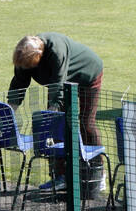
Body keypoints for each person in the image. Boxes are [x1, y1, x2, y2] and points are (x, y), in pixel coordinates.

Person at [7, 33, 105, 190]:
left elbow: (58, 87)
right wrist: (10, 110)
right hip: (60, 83)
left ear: (38, 57)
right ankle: (61, 176)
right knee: (54, 130)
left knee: (86, 124)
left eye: (29, 66)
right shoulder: (24, 55)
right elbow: (19, 83)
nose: (26, 69)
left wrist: (50, 114)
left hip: (88, 75)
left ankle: (98, 172)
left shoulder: (56, 51)